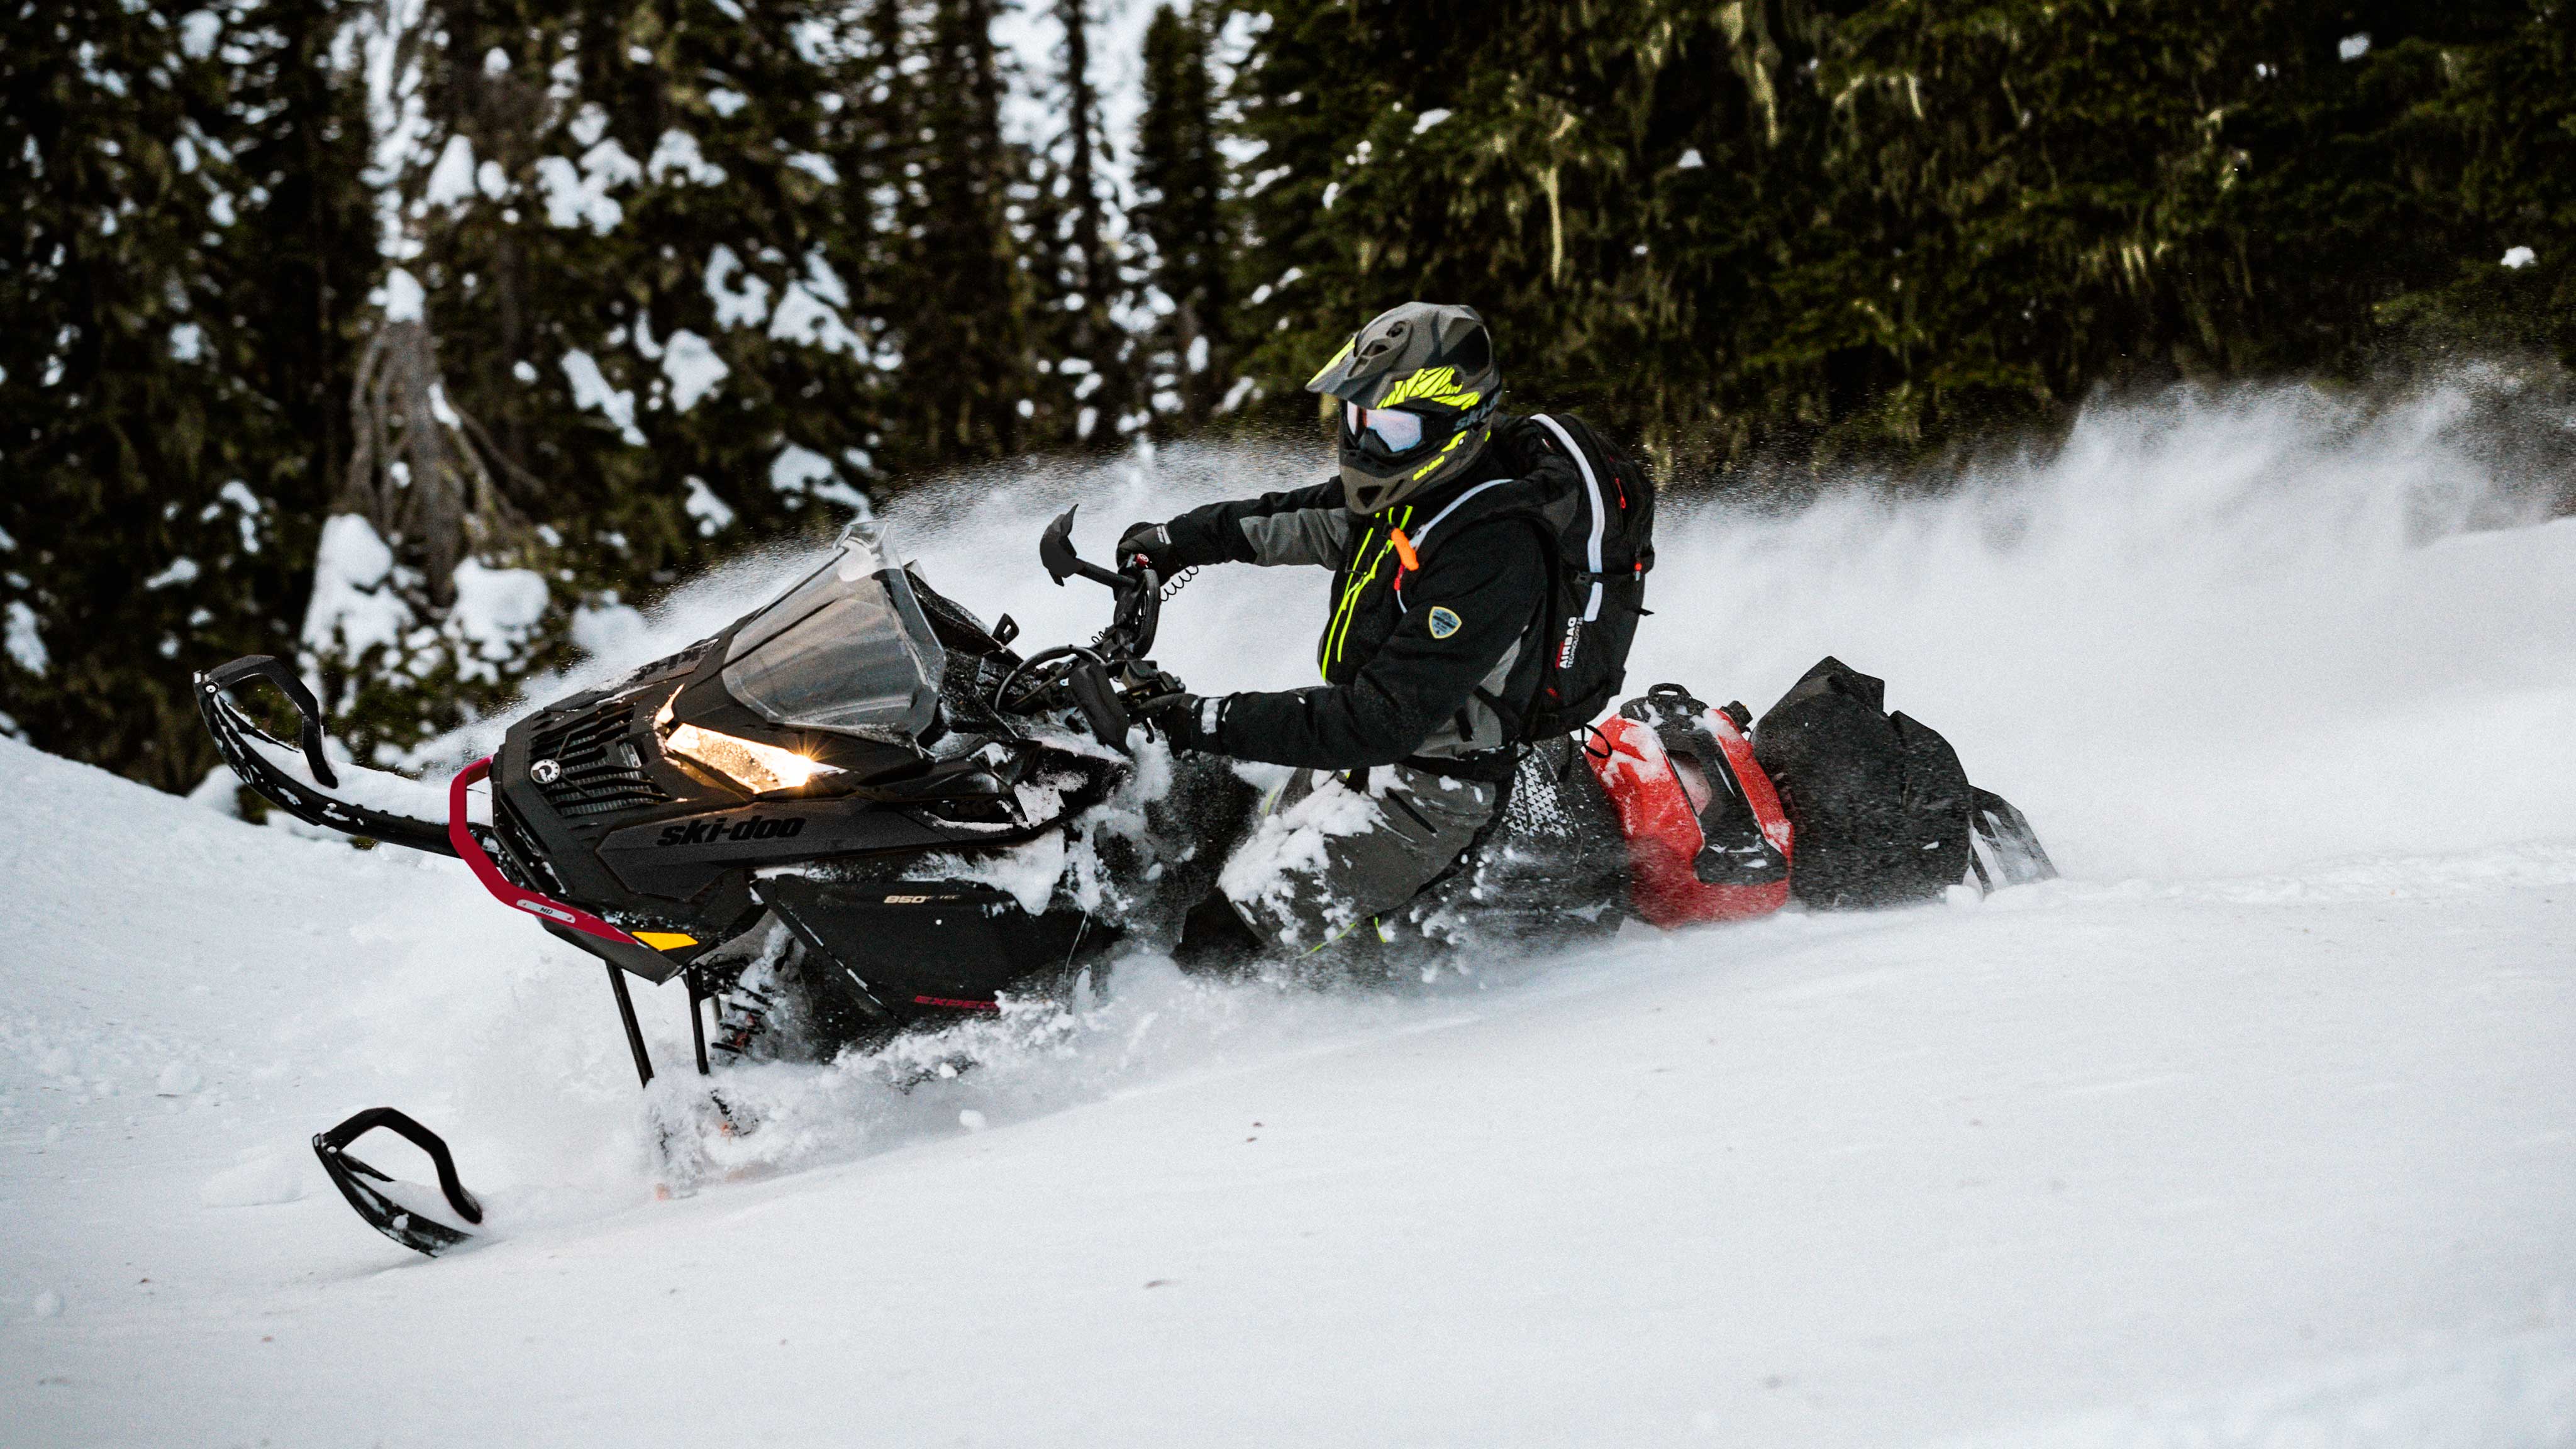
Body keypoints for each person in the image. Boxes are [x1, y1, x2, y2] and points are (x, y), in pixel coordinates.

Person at [1121, 301, 1574, 958]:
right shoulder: (1411, 494)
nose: (1365, 445)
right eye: (1358, 421)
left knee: (1217, 942)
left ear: (1457, 424)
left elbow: (1381, 718)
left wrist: (1199, 719)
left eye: (1388, 429)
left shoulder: (1492, 546)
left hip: (1431, 790)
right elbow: (1299, 517)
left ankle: (1265, 1043)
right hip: (1366, 763)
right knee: (1197, 849)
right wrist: (1176, 542)